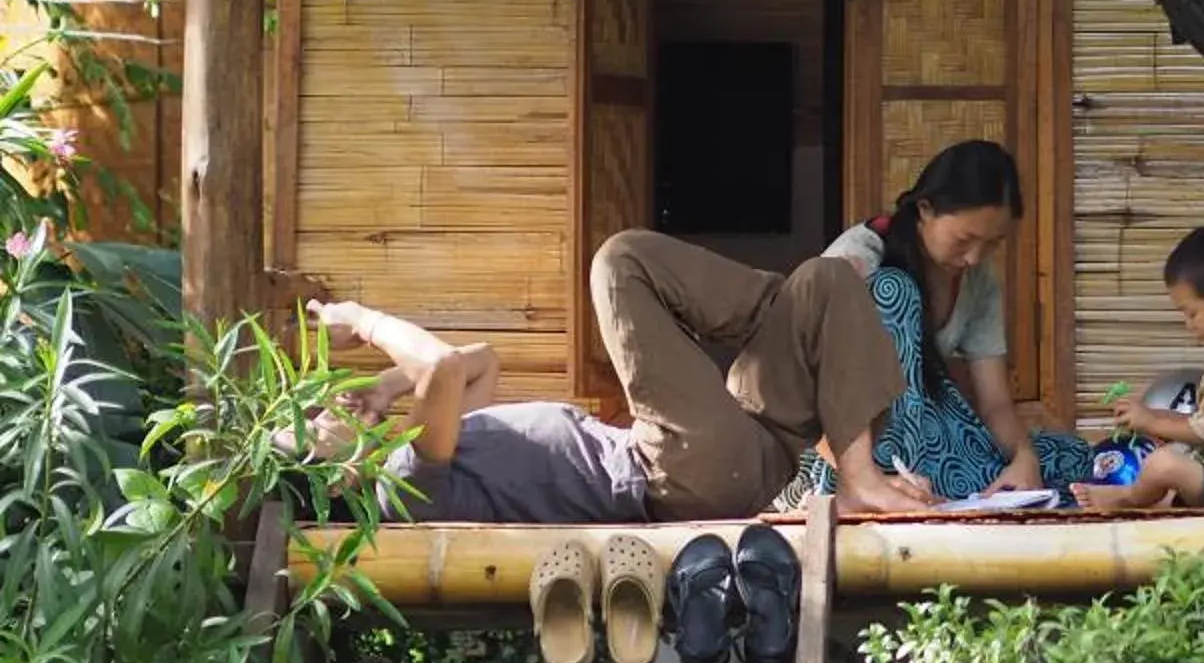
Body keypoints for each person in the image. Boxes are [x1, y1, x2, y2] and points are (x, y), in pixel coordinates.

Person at [310, 228, 941, 522]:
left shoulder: (426, 447)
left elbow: (480, 364)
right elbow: (444, 367)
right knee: (619, 263)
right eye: (309, 432)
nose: (319, 414)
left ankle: (860, 475)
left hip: (744, 453)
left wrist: (387, 389)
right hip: (672, 472)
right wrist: (361, 319)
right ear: (333, 482)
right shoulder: (405, 485)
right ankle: (765, 316)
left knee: (823, 283)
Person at [822, 140, 1093, 494]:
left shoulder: (979, 281)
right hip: (837, 454)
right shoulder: (857, 259)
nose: (974, 258)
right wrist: (870, 479)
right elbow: (813, 392)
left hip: (930, 436)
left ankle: (953, 484)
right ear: (925, 209)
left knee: (1073, 456)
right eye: (965, 239)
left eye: (993, 243)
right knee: (894, 289)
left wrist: (1024, 459)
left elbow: (994, 401)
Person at [1070, 225, 1204, 512]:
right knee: (1178, 451)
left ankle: (1125, 498)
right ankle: (1163, 500)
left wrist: (1151, 423)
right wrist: (1152, 414)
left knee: (1163, 462)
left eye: (1192, 312)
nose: (1188, 324)